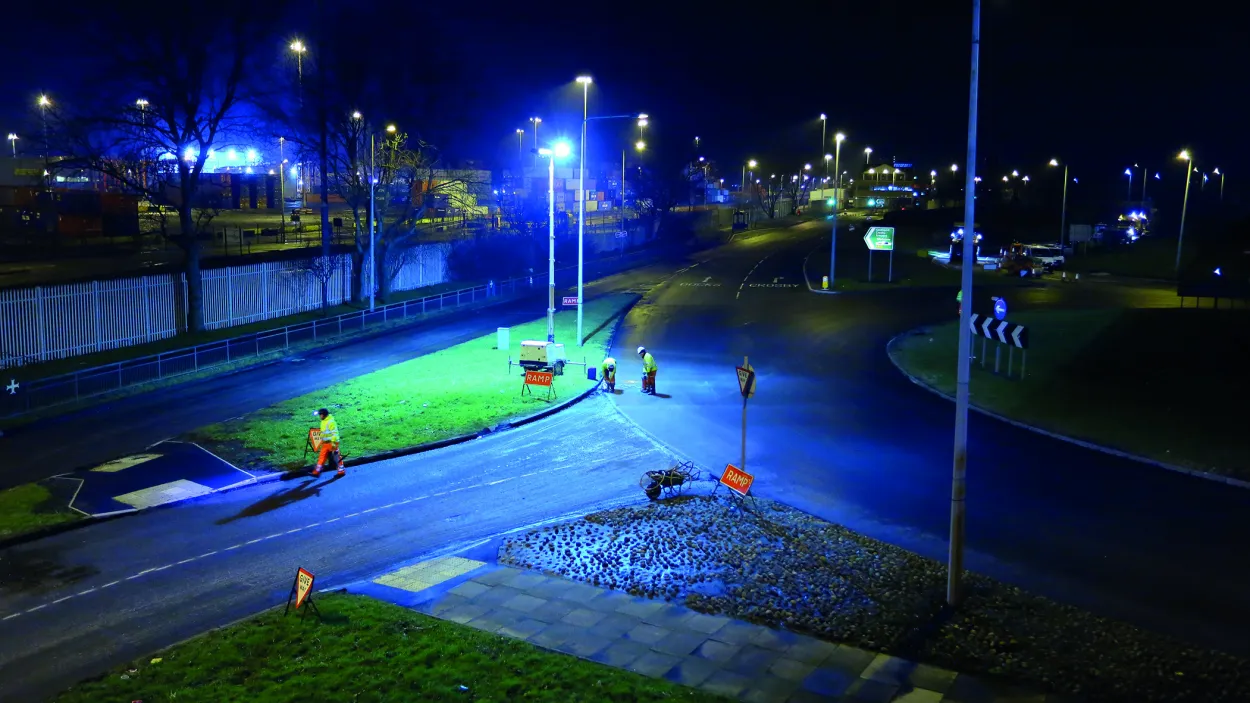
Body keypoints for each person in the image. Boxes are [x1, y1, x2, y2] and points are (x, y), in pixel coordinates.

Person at [313, 408, 346, 477]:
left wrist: (334, 443)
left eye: (320, 415)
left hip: (332, 442)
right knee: (322, 456)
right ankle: (317, 471)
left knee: (336, 457)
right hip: (325, 443)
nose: (320, 416)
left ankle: (341, 471)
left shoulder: (330, 422)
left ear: (324, 415)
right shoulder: (323, 421)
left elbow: (335, 433)